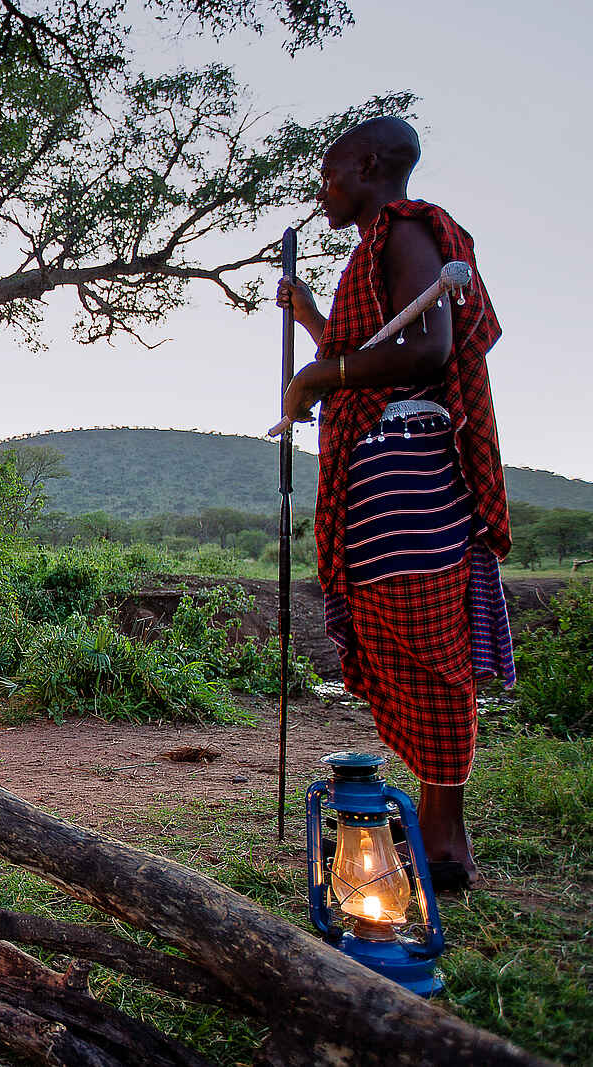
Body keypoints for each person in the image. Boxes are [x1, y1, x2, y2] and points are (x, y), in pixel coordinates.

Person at [273, 117, 512, 890]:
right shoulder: (373, 252)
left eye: (332, 174)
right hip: (379, 470)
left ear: (371, 165)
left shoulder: (406, 229)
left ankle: (444, 841)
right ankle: (440, 834)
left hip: (405, 467)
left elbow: (428, 348)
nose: (324, 188)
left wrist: (314, 378)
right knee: (395, 636)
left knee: (426, 638)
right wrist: (312, 316)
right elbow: (379, 344)